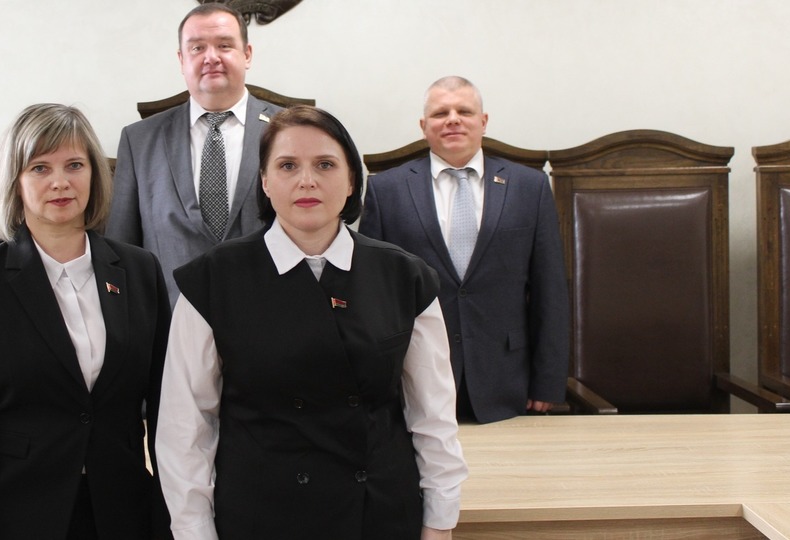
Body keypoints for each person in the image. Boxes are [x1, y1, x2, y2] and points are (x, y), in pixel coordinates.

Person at [156, 105, 467, 540]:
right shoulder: (213, 280)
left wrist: (440, 520)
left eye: (325, 164)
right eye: (287, 165)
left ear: (352, 180)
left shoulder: (405, 277)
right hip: (260, 515)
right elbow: (185, 428)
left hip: (378, 512)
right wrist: (194, 532)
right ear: (265, 182)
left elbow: (433, 416)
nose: (307, 180)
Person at [0, 104, 172, 539]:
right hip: (21, 514)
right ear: (15, 181)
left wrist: (175, 517)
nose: (60, 182)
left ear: (94, 174)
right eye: (40, 168)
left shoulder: (139, 271)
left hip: (123, 512)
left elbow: (166, 410)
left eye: (74, 165)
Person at [360, 76, 570, 424]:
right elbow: (372, 294)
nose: (453, 120)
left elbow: (550, 291)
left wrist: (547, 382)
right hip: (416, 384)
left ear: (483, 122)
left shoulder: (529, 187)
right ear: (424, 126)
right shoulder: (387, 190)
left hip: (508, 383)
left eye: (464, 111)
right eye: (441, 113)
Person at [107, 3, 282, 305]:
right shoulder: (139, 141)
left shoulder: (289, 131)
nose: (211, 57)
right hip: (171, 321)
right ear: (182, 59)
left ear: (247, 54)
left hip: (271, 314)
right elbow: (120, 251)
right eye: (197, 48)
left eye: (224, 45)